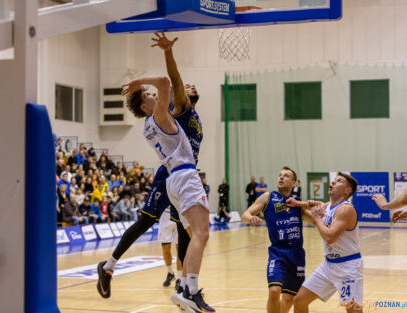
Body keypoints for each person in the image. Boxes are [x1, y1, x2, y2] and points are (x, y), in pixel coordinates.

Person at [97, 33, 213, 313]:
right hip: (178, 173)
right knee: (163, 225)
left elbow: (171, 83)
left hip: (179, 174)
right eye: (186, 86)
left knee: (188, 233)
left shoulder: (180, 116)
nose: (187, 87)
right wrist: (166, 55)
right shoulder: (177, 109)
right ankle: (186, 288)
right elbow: (170, 80)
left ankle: (185, 286)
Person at [287, 172, 362, 313]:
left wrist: (317, 219)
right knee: (299, 300)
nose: (333, 182)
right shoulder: (329, 205)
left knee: (354, 311)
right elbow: (318, 205)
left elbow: (330, 237)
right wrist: (298, 203)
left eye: (338, 181)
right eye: (334, 180)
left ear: (347, 191)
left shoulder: (346, 209)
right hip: (328, 265)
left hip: (348, 267)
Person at [241, 167, 308, 313]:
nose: (281, 177)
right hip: (278, 252)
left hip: (297, 255)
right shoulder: (268, 197)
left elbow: (315, 218)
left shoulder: (298, 202)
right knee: (274, 291)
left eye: (286, 176)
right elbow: (245, 214)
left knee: (290, 298)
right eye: (279, 175)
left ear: (294, 182)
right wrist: (250, 218)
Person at [158, 207, 182, 287]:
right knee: (165, 250)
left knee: (180, 250)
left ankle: (179, 278)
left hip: (179, 218)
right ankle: (170, 273)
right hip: (165, 219)